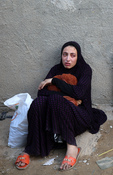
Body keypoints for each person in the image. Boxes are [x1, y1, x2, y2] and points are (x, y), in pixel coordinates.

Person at [15, 41, 107, 170]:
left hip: (79, 115)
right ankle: (30, 148)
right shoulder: (55, 69)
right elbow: (41, 91)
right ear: (61, 55)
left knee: (55, 99)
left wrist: (55, 81)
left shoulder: (85, 70)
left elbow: (79, 93)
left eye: (72, 55)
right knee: (38, 103)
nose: (68, 59)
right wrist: (65, 95)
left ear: (78, 56)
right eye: (65, 54)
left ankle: (72, 147)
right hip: (56, 111)